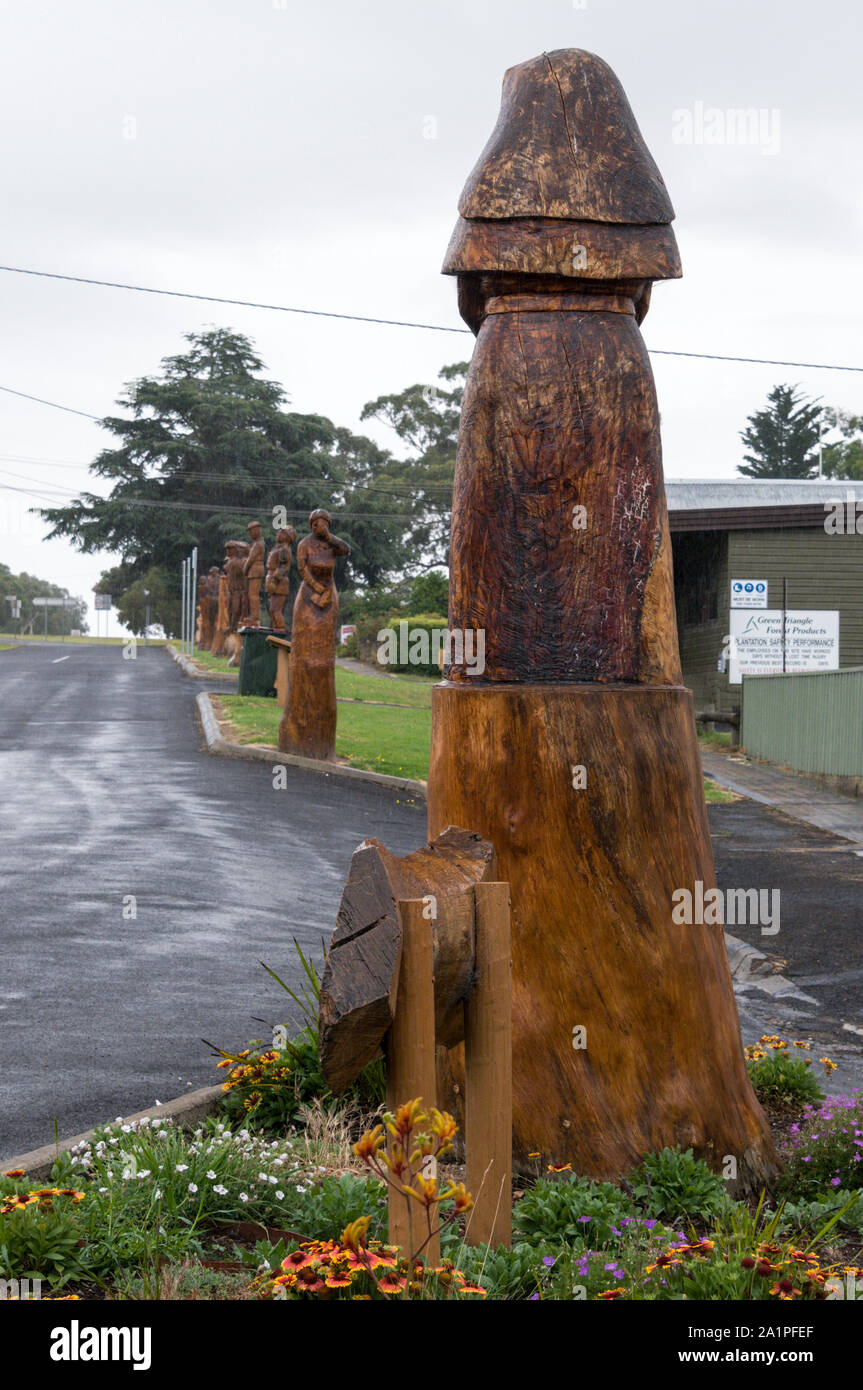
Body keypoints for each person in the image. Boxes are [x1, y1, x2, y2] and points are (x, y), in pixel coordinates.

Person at [279, 509, 350, 759]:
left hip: (329, 598)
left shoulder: (332, 544)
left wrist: (329, 537)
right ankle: (296, 728)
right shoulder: (303, 544)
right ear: (310, 525)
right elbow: (301, 568)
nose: (319, 526)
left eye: (324, 523)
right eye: (316, 523)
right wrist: (316, 587)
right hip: (309, 596)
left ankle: (321, 736)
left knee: (322, 660)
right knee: (304, 658)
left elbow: (345, 550)